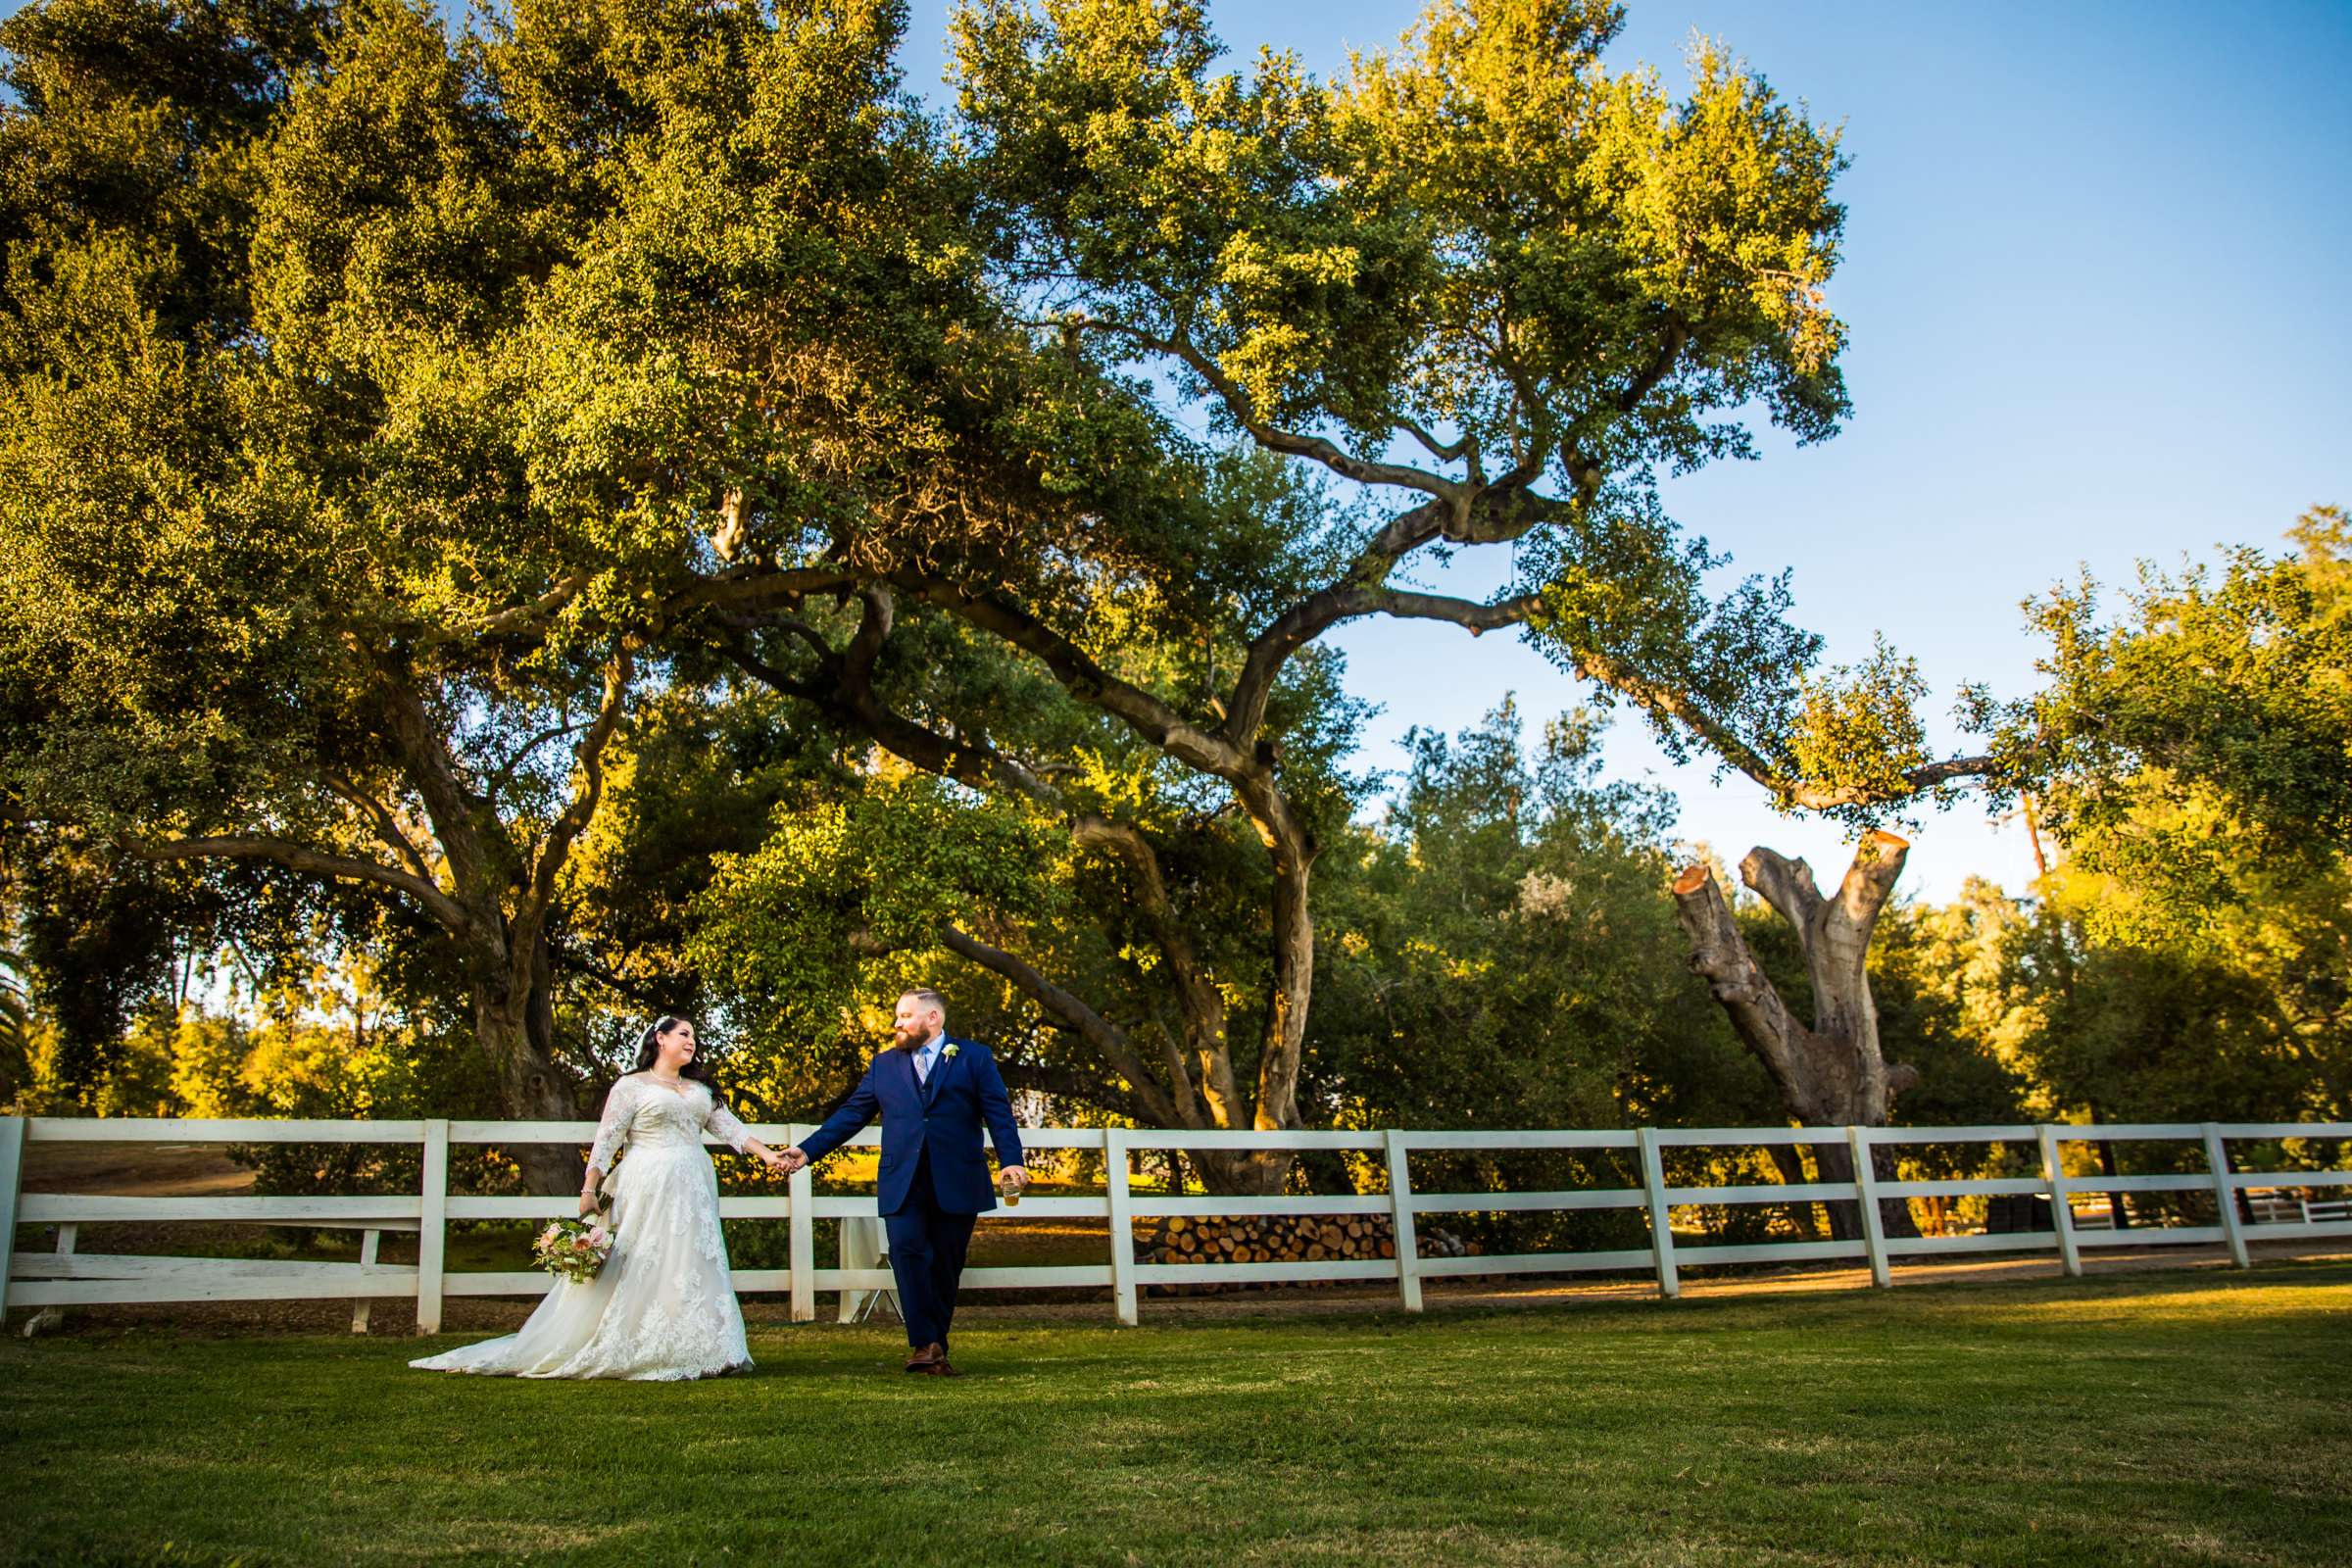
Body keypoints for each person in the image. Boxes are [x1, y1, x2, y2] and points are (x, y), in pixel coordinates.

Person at [411, 1016, 788, 1380]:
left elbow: (733, 1130)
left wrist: (770, 1155)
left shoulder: (700, 1091)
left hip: (695, 1185)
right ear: (661, 1039)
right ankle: (638, 1343)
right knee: (646, 1259)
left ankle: (710, 1350)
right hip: (646, 1185)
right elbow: (606, 1141)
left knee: (694, 1259)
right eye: (684, 1034)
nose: (691, 1041)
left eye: (694, 1036)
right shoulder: (631, 1087)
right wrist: (589, 1189)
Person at [781, 988, 1026, 1376]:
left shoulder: (974, 1058)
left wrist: (1011, 1161)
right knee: (906, 1253)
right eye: (897, 1016)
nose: (896, 1023)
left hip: (958, 1177)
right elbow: (851, 1115)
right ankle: (923, 1344)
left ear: (933, 1018)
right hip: (902, 1180)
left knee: (946, 1265)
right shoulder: (884, 1066)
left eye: (904, 1015)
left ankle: (933, 1348)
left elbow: (998, 1113)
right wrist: (807, 1151)